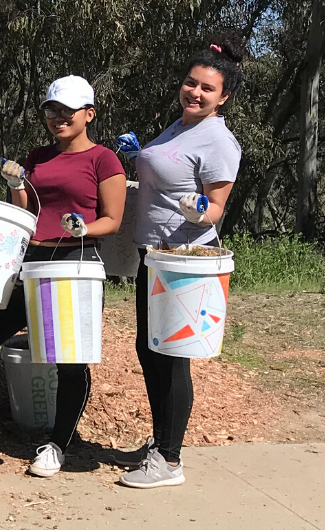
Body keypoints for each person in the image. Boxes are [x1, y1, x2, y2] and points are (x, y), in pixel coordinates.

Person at [0, 76, 127, 476]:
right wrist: (16, 183)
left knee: (70, 362)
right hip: (27, 263)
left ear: (89, 114)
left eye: (68, 110)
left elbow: (112, 220)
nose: (58, 117)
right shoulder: (38, 155)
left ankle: (56, 445)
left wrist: (83, 228)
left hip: (74, 266)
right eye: (52, 110)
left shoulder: (104, 159)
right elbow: (26, 210)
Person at [115, 43, 244, 489]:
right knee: (149, 350)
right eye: (191, 82)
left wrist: (199, 211)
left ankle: (169, 460)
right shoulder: (179, 126)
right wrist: (139, 156)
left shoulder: (219, 139)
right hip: (154, 255)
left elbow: (216, 207)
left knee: (171, 359)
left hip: (186, 260)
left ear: (223, 97)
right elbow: (170, 177)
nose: (196, 92)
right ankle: (161, 441)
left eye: (208, 88)